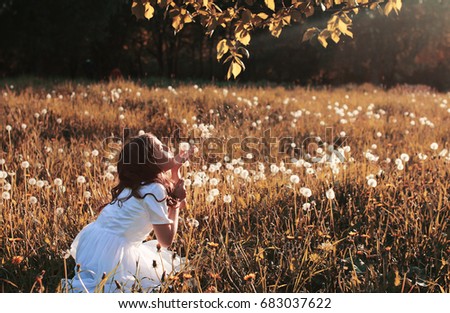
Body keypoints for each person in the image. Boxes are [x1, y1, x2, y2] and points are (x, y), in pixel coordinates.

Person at [64, 133, 194, 293]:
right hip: (113, 255)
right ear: (150, 162)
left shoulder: (134, 184)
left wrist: (175, 172)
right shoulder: (155, 189)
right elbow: (166, 240)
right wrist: (175, 205)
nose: (167, 148)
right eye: (161, 148)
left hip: (93, 244)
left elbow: (181, 201)